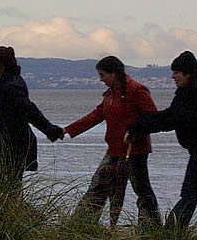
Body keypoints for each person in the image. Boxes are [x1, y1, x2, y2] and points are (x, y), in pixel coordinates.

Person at [63, 56, 160, 227]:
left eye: (103, 75)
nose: (101, 79)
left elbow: (153, 117)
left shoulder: (137, 90)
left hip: (134, 151)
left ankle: (151, 228)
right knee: (98, 186)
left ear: (114, 74)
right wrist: (68, 130)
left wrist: (135, 129)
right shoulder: (110, 94)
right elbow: (96, 115)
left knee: (142, 190)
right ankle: (81, 224)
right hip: (114, 150)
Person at [0, 46, 64, 182]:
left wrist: (50, 130)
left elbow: (28, 110)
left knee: (2, 183)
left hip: (13, 143)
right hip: (13, 141)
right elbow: (2, 110)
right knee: (7, 183)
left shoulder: (10, 85)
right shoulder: (13, 81)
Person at [127, 50, 197, 228]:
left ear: (188, 73)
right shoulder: (184, 93)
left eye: (176, 73)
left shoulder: (192, 95)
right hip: (195, 150)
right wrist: (140, 124)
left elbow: (173, 119)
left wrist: (141, 125)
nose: (173, 77)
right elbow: (170, 116)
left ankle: (170, 231)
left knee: (190, 193)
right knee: (190, 193)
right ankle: (172, 231)